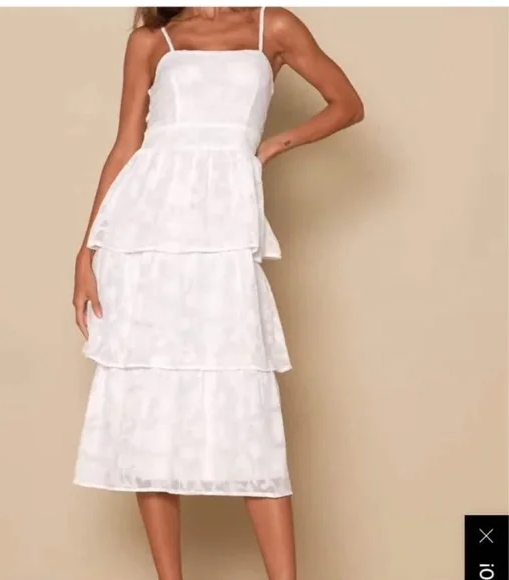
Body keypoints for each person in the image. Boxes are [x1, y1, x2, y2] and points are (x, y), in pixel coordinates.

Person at [72, 7, 363, 580]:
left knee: (246, 402)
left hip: (225, 230)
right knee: (150, 400)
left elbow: (347, 105)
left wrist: (274, 145)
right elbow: (127, 143)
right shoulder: (152, 38)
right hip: (145, 233)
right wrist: (88, 250)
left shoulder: (273, 25)